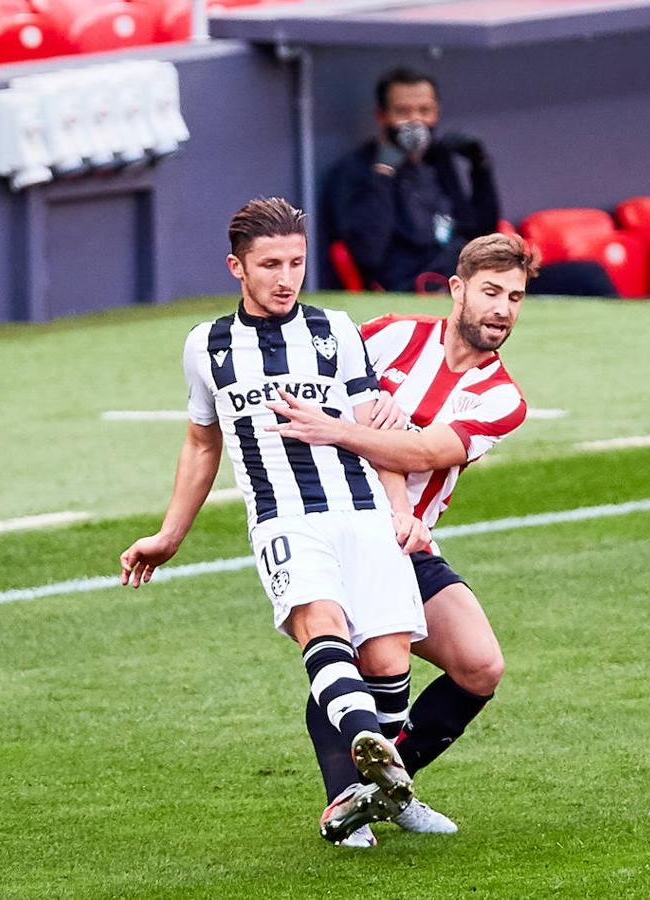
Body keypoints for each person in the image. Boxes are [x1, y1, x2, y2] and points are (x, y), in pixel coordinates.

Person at [118, 197, 434, 849]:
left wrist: (401, 510)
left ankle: (379, 788)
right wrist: (169, 535)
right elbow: (203, 443)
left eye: (295, 262)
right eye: (269, 264)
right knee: (323, 630)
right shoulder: (204, 346)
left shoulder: (336, 330)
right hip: (283, 520)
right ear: (237, 267)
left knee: (387, 666)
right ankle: (363, 758)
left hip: (363, 513)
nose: (284, 277)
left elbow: (374, 429)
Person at [266, 232, 536, 842]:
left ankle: (388, 787)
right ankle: (344, 805)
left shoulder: (502, 399)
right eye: (491, 292)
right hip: (332, 523)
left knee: (480, 666)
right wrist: (355, 419)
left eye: (515, 298)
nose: (501, 309)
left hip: (409, 538)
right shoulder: (385, 333)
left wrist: (350, 427)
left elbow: (424, 449)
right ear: (458, 289)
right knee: (360, 655)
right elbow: (316, 386)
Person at [325, 67, 614, 296]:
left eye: (424, 111)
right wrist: (384, 172)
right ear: (382, 116)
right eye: (403, 112)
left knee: (588, 276)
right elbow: (367, 253)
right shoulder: (357, 170)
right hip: (422, 292)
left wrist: (480, 167)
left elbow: (482, 233)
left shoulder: (438, 160)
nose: (416, 121)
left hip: (477, 278)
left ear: (436, 113)